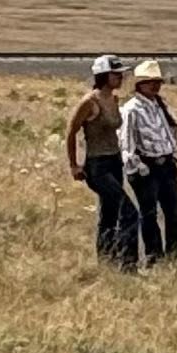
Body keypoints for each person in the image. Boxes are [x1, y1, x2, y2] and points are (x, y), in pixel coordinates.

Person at [65, 55, 140, 270]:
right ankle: (128, 263)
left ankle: (107, 261)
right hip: (97, 165)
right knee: (129, 211)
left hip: (114, 161)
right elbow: (71, 132)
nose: (120, 78)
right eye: (116, 74)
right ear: (103, 76)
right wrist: (74, 165)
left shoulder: (114, 100)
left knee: (110, 213)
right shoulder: (89, 102)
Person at [119, 59, 177, 263]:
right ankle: (154, 255)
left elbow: (171, 132)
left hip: (166, 165)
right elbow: (126, 144)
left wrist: (173, 155)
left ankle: (175, 255)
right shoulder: (131, 109)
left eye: (157, 82)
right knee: (149, 214)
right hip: (147, 168)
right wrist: (138, 167)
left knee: (173, 212)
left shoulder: (160, 106)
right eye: (150, 82)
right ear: (140, 84)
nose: (155, 86)